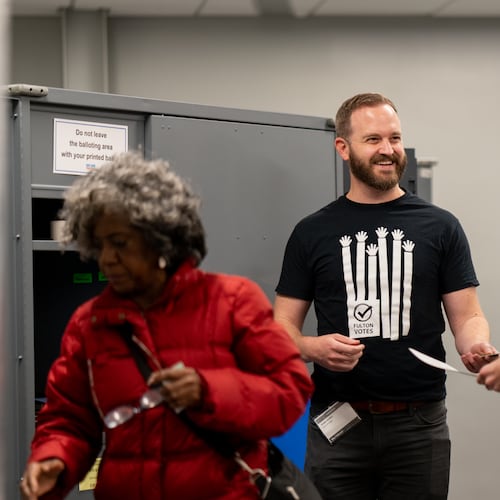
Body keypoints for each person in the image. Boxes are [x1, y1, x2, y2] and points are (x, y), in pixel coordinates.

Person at [20, 151, 314, 500]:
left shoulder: (232, 301)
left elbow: (289, 392)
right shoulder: (90, 323)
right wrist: (54, 459)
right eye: (99, 245)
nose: (107, 258)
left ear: (160, 237)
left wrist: (209, 391)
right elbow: (69, 419)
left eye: (120, 243)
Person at [273, 92, 497, 500]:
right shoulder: (311, 232)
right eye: (373, 139)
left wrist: (479, 347)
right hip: (336, 423)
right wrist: (311, 347)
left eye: (394, 138)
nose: (388, 150)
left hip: (418, 426)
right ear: (343, 147)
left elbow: (467, 317)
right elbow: (280, 326)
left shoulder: (441, 226)